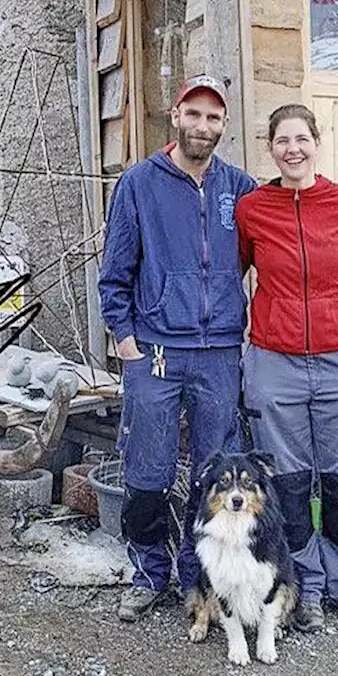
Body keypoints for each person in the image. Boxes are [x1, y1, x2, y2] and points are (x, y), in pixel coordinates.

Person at [97, 74, 259, 621]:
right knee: (149, 469)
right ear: (175, 114)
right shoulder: (140, 183)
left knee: (214, 474)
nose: (203, 126)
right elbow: (114, 271)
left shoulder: (240, 188)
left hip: (219, 354)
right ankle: (147, 572)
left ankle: (199, 580)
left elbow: (281, 251)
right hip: (156, 352)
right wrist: (124, 340)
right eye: (195, 114)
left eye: (214, 118)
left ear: (224, 125)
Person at [235, 103, 338, 633]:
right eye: (282, 141)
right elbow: (233, 276)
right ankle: (304, 589)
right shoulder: (254, 209)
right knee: (292, 485)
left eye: (301, 138)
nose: (292, 149)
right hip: (275, 364)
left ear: (316, 142)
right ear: (270, 148)